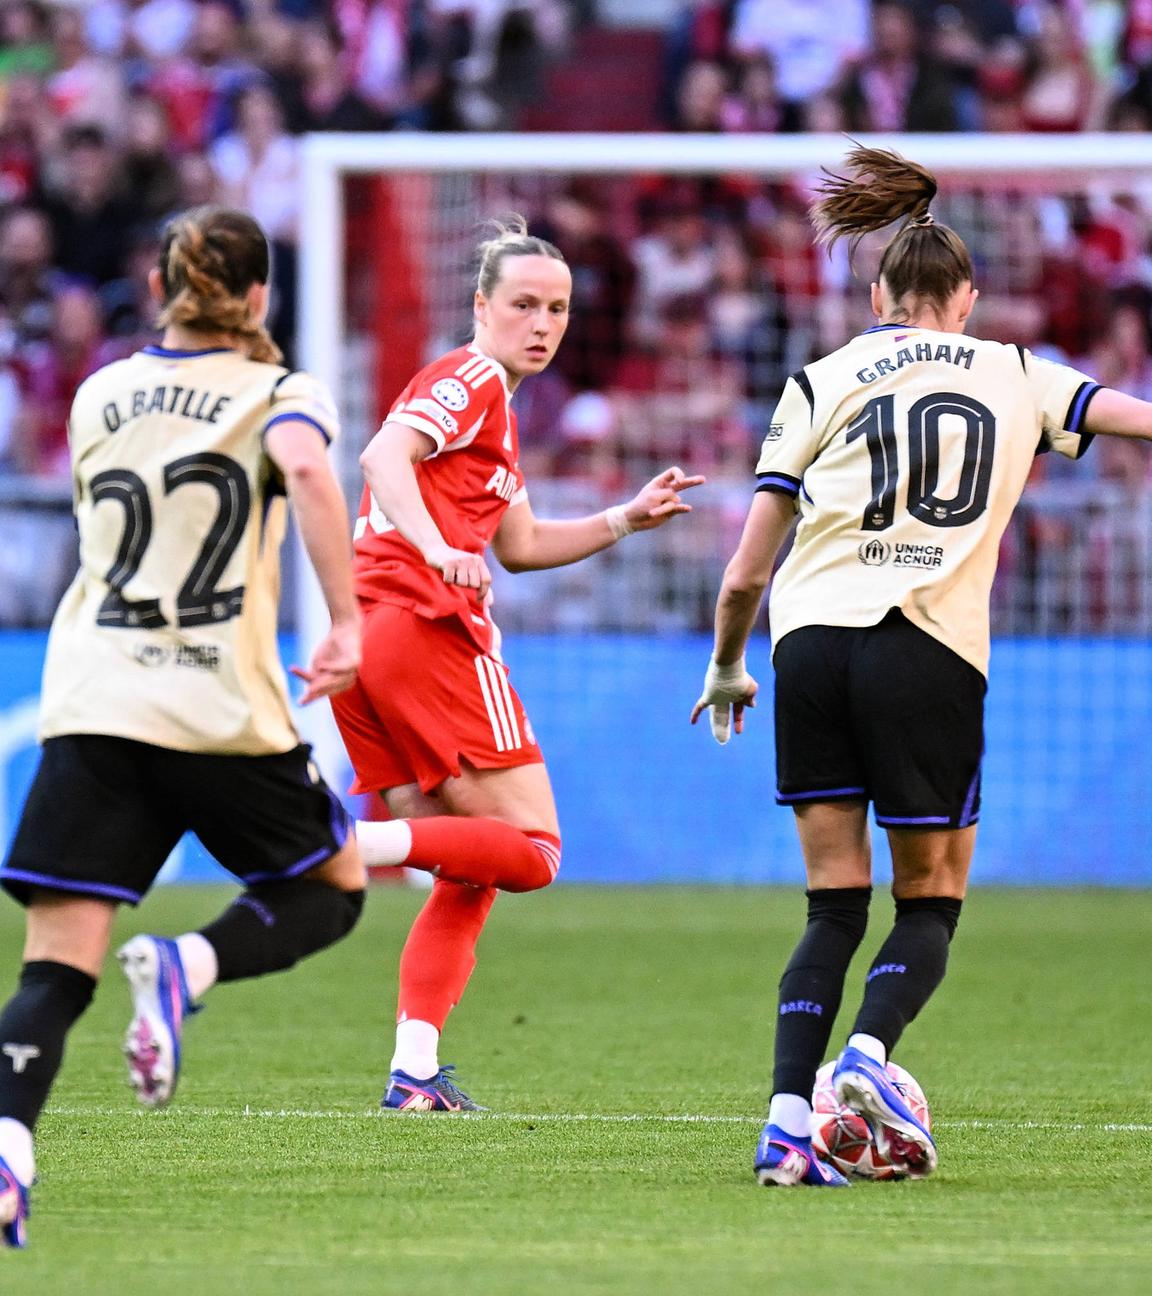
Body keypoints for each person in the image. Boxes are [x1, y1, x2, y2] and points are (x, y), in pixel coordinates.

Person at [691, 145, 1152, 1188]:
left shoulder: (820, 378)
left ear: (877, 295)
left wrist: (727, 665)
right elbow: (1132, 419)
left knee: (829, 905)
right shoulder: (1017, 370)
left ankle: (781, 1127)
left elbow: (741, 575)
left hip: (808, 648)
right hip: (926, 648)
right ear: (968, 297)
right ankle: (865, 1059)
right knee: (931, 902)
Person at [0, 206, 366, 1247]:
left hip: (95, 703)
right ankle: (189, 967)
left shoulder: (98, 393)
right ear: (259, 297)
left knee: (51, 975)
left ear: (162, 288)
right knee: (331, 889)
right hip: (215, 710)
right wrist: (344, 620)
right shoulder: (280, 392)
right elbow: (301, 466)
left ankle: (6, 1150)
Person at [338, 217, 703, 1112]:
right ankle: (346, 846)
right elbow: (382, 455)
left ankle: (414, 1072)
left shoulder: (496, 410)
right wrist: (433, 550)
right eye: (525, 305)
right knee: (536, 850)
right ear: (480, 308)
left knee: (476, 866)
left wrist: (624, 517)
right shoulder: (468, 378)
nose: (543, 323)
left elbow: (526, 544)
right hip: (425, 626)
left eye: (559, 309)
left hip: (373, 638)